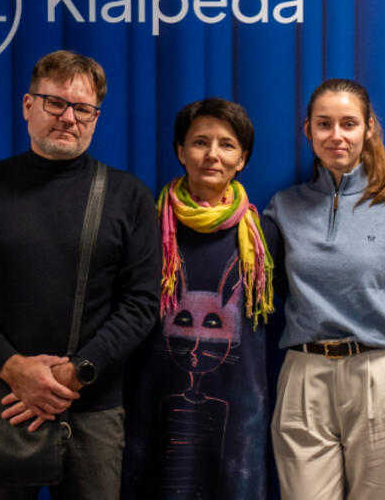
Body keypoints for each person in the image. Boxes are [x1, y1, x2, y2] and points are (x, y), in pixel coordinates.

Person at [0, 50, 161, 499]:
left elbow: (141, 304)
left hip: (92, 410)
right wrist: (14, 369)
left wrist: (78, 372)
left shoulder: (129, 196)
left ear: (96, 118)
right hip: (4, 401)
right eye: (55, 103)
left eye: (82, 109)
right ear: (28, 105)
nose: (68, 117)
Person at [265, 78, 385, 499]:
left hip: (378, 377)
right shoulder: (282, 208)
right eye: (324, 123)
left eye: (348, 123)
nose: (336, 135)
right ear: (308, 130)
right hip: (304, 378)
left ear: (368, 129)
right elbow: (266, 293)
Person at [121, 98, 277, 499]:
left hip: (239, 419)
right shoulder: (146, 227)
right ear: (180, 151)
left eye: (227, 145)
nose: (212, 155)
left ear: (243, 158)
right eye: (200, 142)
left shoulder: (264, 235)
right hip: (152, 408)